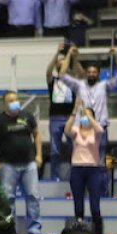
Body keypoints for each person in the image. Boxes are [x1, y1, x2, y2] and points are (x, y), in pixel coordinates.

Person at [0, 91, 42, 234]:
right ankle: (9, 233)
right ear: (4, 104)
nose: (15, 102)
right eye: (10, 100)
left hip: (29, 164)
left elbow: (37, 134)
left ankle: (34, 232)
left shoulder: (27, 116)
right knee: (8, 200)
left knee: (33, 197)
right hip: (7, 166)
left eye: (16, 100)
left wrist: (39, 155)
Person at [59, 46, 117, 160]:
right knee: (80, 160)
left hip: (100, 130)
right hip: (81, 131)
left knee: (101, 162)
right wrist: (69, 55)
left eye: (94, 72)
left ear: (98, 74)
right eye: (89, 72)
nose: (91, 74)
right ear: (86, 73)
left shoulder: (104, 86)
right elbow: (62, 75)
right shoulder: (79, 85)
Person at [65, 104, 108, 234]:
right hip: (77, 169)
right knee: (78, 203)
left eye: (87, 116)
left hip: (93, 169)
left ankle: (98, 231)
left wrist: (89, 115)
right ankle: (80, 230)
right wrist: (75, 111)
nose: (85, 118)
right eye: (83, 116)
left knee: (95, 204)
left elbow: (100, 129)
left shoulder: (96, 132)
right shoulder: (76, 130)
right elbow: (66, 130)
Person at [46, 43, 82, 182]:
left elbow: (81, 74)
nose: (63, 64)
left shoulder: (72, 81)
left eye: (65, 62)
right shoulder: (53, 80)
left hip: (70, 118)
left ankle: (74, 175)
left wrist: (74, 57)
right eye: (60, 63)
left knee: (74, 147)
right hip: (55, 117)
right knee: (55, 149)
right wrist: (57, 54)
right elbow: (48, 71)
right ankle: (55, 176)